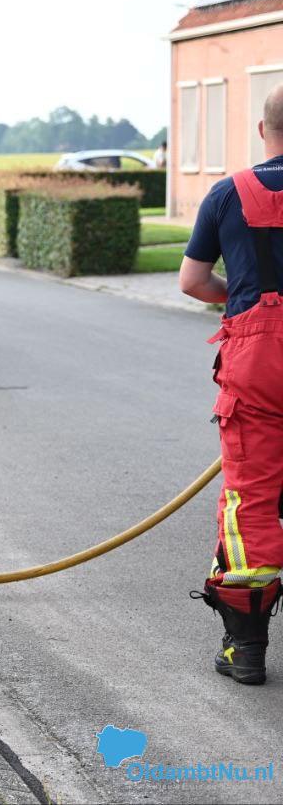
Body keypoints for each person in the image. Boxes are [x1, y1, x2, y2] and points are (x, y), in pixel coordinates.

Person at [180, 82, 283, 685]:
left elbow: (193, 281)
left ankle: (245, 650)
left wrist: (240, 302)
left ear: (264, 130)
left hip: (258, 361)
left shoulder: (228, 194)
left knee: (251, 502)